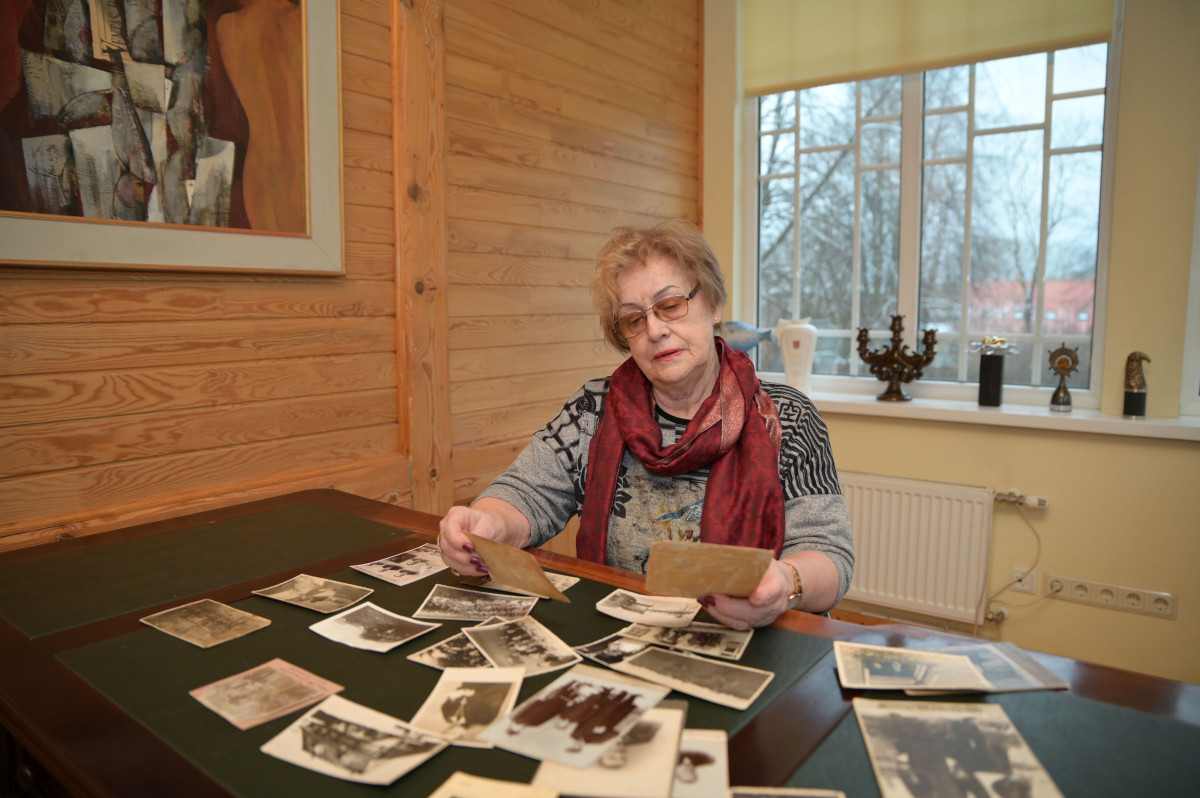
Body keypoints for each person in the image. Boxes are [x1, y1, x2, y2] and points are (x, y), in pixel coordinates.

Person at [439, 220, 854, 629]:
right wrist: (487, 524)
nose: (655, 330)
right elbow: (527, 493)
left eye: (670, 305)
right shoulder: (593, 409)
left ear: (713, 304)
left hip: (755, 640)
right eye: (634, 319)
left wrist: (787, 581)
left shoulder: (787, 416)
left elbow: (828, 555)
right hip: (623, 634)